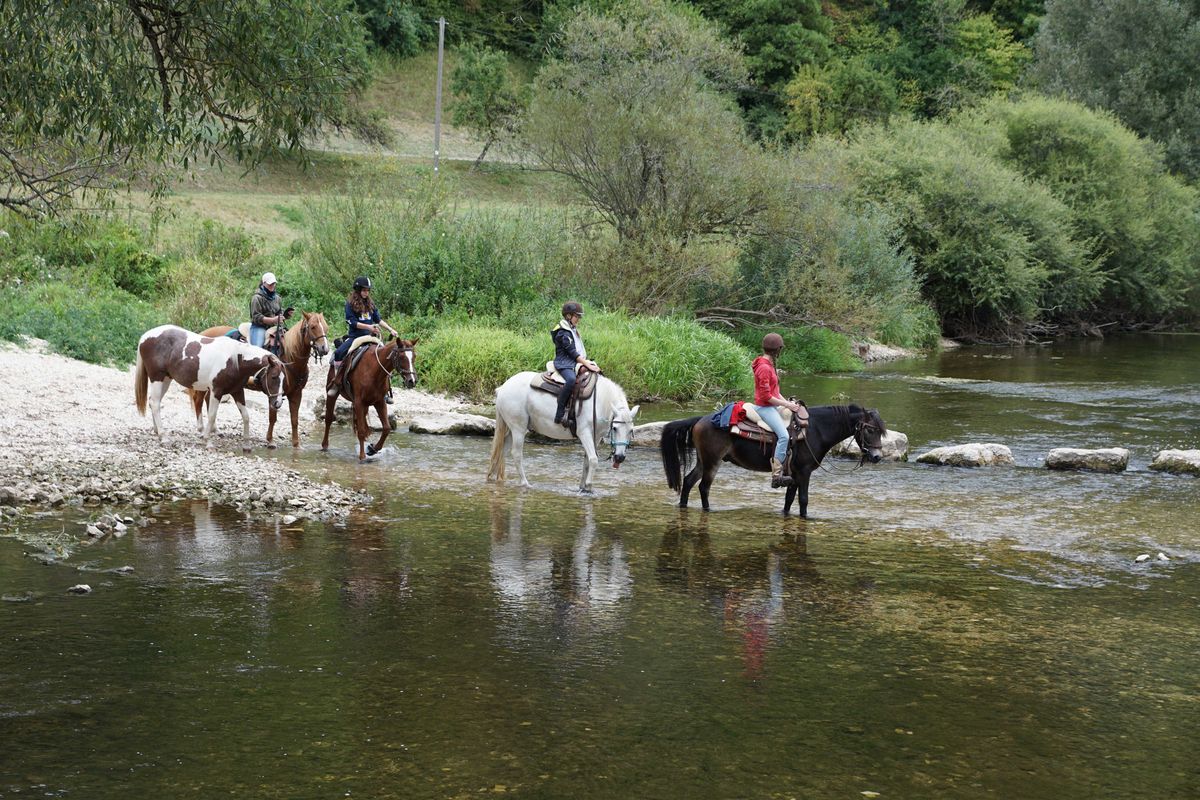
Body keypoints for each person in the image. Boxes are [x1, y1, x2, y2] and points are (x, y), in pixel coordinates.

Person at [327, 275, 399, 400]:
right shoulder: (350, 304)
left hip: (371, 337)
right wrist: (369, 327)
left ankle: (386, 390)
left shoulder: (370, 304)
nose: (366, 293)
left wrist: (391, 329)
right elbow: (351, 322)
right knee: (339, 353)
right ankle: (337, 381)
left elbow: (378, 319)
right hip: (355, 337)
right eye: (364, 290)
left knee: (386, 357)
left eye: (368, 290)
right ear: (358, 290)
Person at [753, 332, 803, 488]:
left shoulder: (769, 364)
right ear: (777, 349)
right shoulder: (764, 368)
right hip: (764, 407)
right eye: (780, 348)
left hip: (772, 404)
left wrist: (786, 402)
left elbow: (774, 391)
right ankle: (776, 475)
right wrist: (787, 405)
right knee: (783, 436)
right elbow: (766, 396)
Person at [551, 301, 599, 427]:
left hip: (573, 362)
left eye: (579, 317)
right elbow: (573, 353)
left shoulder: (572, 329)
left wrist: (589, 363)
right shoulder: (563, 332)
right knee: (571, 380)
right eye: (576, 316)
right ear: (568, 316)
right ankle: (559, 413)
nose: (578, 319)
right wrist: (587, 364)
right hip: (564, 363)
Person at [249, 272, 293, 349]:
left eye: (274, 283)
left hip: (273, 327)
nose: (272, 285)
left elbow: (279, 312)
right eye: (270, 284)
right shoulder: (256, 298)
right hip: (259, 327)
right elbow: (256, 317)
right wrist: (273, 320)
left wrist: (285, 315)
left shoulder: (277, 298)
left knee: (289, 344)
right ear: (263, 283)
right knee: (257, 349)